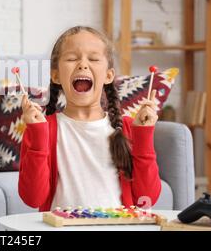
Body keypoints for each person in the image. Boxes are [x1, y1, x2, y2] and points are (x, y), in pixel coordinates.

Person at [18, 26, 161, 211]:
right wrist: (37, 136)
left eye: (93, 59)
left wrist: (143, 136)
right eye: (71, 58)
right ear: (56, 75)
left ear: (109, 75)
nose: (83, 65)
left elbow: (147, 198)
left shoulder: (127, 128)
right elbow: (33, 199)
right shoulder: (43, 129)